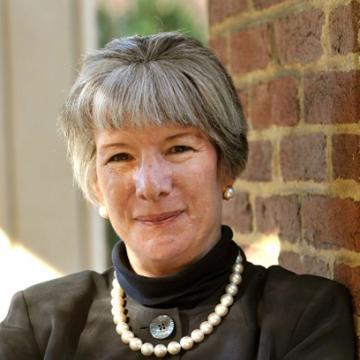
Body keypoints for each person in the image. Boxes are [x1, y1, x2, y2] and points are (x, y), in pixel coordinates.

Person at [0, 32, 355, 359]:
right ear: (95, 184)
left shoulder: (303, 316)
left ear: (226, 166)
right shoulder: (39, 321)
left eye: (179, 148)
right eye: (120, 156)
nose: (151, 185)